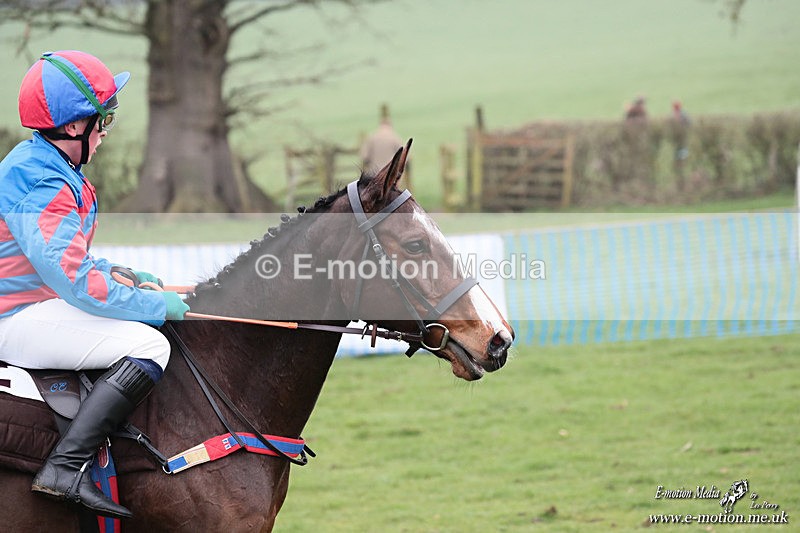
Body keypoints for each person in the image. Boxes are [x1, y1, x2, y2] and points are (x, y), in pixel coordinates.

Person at [0, 50, 189, 519]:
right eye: (102, 118)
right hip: (15, 317)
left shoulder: (49, 166)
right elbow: (73, 281)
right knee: (150, 345)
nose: (106, 130)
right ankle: (65, 469)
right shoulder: (40, 178)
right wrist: (154, 307)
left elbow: (70, 259)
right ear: (71, 128)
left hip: (32, 302)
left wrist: (122, 276)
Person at [359, 104, 407, 179]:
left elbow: (364, 157)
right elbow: (405, 158)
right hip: (390, 177)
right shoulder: (395, 138)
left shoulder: (372, 137)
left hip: (373, 176)